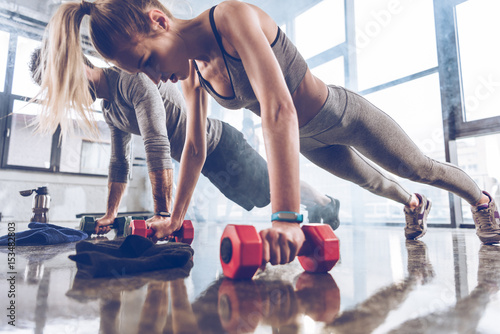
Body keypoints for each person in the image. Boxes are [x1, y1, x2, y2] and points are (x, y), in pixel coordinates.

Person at [39, 0, 500, 265]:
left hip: (341, 114)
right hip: (310, 141)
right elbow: (195, 149)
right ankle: (414, 206)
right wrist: (174, 218)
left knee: (417, 166)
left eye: (147, 61)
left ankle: (483, 203)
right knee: (374, 183)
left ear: (159, 20)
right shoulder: (193, 72)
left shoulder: (231, 17)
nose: (155, 77)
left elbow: (278, 108)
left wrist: (284, 217)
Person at [29, 47, 340, 236]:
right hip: (200, 159)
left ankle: (327, 203)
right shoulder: (110, 109)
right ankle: (321, 203)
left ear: (76, 66)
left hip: (221, 145)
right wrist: (110, 213)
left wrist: (164, 214)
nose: (66, 95)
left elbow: (157, 143)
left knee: (273, 188)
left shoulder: (130, 79)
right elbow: (119, 163)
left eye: (62, 84)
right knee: (266, 195)